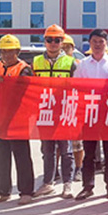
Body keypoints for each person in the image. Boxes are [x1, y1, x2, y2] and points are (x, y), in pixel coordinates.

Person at [74, 29, 108, 201]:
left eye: (101, 41)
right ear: (89, 43)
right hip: (89, 113)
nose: (98, 45)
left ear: (106, 44)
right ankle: (87, 186)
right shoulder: (83, 64)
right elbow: (76, 87)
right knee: (89, 152)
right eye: (94, 41)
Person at [0, 35, 35, 205]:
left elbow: (25, 92)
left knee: (21, 156)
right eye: (3, 52)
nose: (6, 55)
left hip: (17, 119)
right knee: (0, 156)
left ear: (18, 52)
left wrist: (5, 82)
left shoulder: (24, 69)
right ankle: (3, 191)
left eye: (10, 51)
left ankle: (26, 192)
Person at [32, 24, 77, 199]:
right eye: (49, 39)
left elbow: (78, 88)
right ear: (44, 41)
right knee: (47, 150)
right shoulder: (36, 62)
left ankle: (67, 184)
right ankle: (48, 183)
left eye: (57, 40)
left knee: (66, 150)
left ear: (62, 42)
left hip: (64, 112)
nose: (53, 43)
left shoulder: (71, 63)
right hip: (45, 112)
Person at [61, 34, 85, 182]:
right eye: (62, 47)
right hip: (58, 106)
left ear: (73, 48)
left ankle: (78, 168)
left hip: (75, 106)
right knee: (58, 141)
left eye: (67, 47)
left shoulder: (78, 64)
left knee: (77, 142)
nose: (64, 49)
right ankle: (58, 170)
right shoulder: (55, 64)